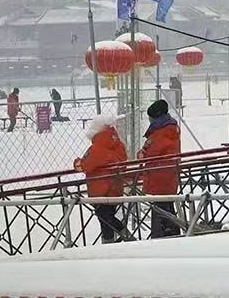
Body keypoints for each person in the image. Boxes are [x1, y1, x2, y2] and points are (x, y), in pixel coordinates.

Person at [73, 115, 129, 244]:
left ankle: (118, 238)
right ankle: (113, 240)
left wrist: (77, 163)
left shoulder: (99, 147)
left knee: (104, 217)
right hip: (115, 188)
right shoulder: (118, 144)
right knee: (107, 216)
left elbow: (86, 164)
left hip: (101, 190)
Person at [137, 100, 181, 238]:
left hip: (159, 176)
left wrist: (142, 153)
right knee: (166, 206)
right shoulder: (169, 130)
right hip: (167, 175)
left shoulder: (161, 133)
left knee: (161, 208)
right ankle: (170, 231)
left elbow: (150, 153)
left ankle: (163, 234)